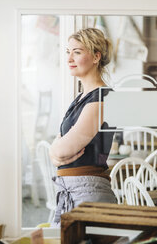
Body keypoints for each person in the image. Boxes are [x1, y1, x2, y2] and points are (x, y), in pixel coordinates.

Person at [49, 28, 117, 224]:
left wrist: (55, 153)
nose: (69, 58)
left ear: (96, 57)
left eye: (77, 52)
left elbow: (63, 149)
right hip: (74, 191)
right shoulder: (82, 97)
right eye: (68, 52)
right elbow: (59, 148)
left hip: (89, 193)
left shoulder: (103, 98)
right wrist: (56, 154)